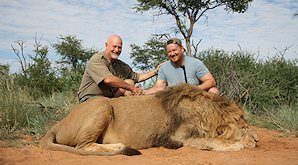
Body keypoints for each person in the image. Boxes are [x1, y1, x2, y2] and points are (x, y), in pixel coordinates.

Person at [78, 34, 158, 102]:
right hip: (91, 98)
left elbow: (137, 77)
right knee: (129, 85)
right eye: (114, 46)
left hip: (109, 100)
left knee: (129, 82)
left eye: (119, 47)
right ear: (106, 46)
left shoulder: (121, 65)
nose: (117, 50)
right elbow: (108, 79)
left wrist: (155, 71)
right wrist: (133, 89)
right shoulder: (97, 59)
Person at [143, 38, 220, 95]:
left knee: (214, 91)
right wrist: (143, 92)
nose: (172, 54)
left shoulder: (196, 63)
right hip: (175, 99)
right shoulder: (163, 67)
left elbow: (211, 81)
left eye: (174, 50)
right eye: (169, 52)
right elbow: (159, 87)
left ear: (182, 49)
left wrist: (193, 89)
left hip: (195, 96)